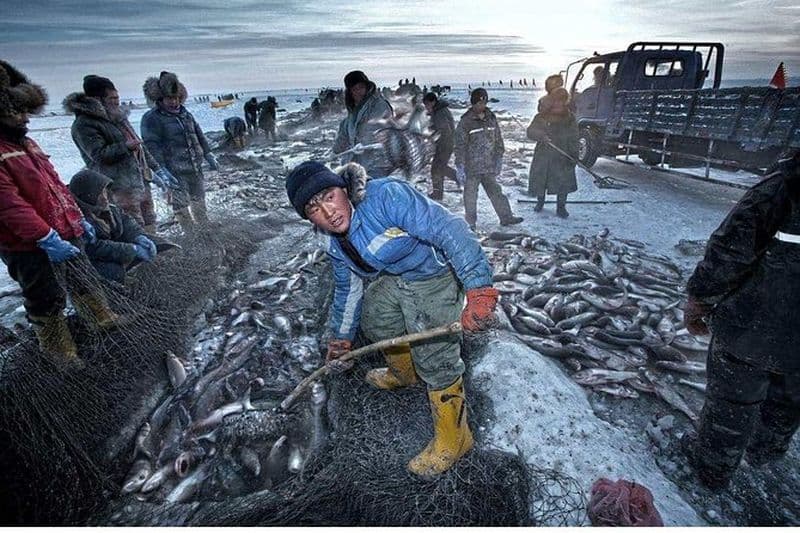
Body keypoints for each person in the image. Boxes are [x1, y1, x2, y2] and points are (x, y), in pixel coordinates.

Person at [285, 160, 499, 477]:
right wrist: (340, 339)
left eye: (329, 196)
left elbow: (448, 229)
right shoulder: (334, 242)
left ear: (343, 189)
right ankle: (404, 372)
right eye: (314, 208)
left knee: (434, 354)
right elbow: (348, 289)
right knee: (374, 316)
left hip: (436, 276)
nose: (328, 213)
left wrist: (479, 289)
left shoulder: (387, 198)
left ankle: (456, 438)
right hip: (400, 278)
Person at [681, 151, 800, 490]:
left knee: (733, 402)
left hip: (754, 324)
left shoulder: (784, 184)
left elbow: (731, 249)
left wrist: (699, 299)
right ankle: (765, 453)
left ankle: (713, 470)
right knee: (789, 394)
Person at [0, 60, 125, 361]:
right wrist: (44, 236)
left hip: (65, 230)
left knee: (83, 280)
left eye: (27, 110)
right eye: (17, 111)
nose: (25, 117)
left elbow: (53, 183)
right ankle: (61, 353)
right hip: (27, 244)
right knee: (46, 297)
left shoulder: (26, 142)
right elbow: (8, 203)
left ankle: (101, 319)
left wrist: (78, 217)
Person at [65, 75, 179, 233]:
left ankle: (159, 257)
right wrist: (125, 147)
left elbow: (141, 148)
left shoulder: (118, 118)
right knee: (133, 227)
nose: (116, 101)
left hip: (139, 181)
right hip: (117, 187)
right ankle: (145, 257)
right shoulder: (84, 124)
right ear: (97, 99)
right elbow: (98, 155)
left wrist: (157, 171)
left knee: (150, 220)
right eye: (112, 98)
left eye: (117, 97)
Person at [141, 71, 218, 232]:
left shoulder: (185, 113)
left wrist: (208, 153)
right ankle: (190, 233)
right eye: (170, 99)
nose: (174, 102)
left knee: (199, 201)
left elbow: (198, 133)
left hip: (194, 167)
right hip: (174, 171)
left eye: (176, 98)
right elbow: (151, 146)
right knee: (181, 206)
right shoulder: (152, 118)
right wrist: (160, 170)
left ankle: (204, 230)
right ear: (160, 99)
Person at [68, 169, 157, 284]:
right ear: (87, 195)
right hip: (93, 262)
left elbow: (126, 221)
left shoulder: (107, 208)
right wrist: (132, 250)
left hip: (115, 250)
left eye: (104, 191)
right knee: (113, 271)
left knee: (156, 244)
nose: (105, 197)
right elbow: (95, 248)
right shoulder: (77, 218)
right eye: (99, 194)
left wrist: (138, 236)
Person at [454, 88, 523, 231]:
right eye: (479, 103)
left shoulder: (491, 118)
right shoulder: (465, 122)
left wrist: (499, 158)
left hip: (489, 165)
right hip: (472, 167)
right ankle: (470, 222)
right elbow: (459, 146)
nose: (482, 106)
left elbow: (498, 140)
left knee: (496, 192)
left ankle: (506, 217)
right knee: (470, 196)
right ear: (473, 104)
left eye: (484, 102)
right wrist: (460, 165)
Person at [526, 88, 579, 218]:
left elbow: (574, 137)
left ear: (565, 101)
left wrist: (573, 156)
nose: (558, 104)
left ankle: (561, 207)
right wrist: (541, 135)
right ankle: (540, 202)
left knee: (563, 181)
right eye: (555, 100)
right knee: (541, 179)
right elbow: (530, 131)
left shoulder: (570, 118)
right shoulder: (542, 116)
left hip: (563, 153)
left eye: (561, 101)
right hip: (544, 153)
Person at [332, 70, 394, 177]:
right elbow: (343, 139)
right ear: (350, 92)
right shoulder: (352, 114)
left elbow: (381, 130)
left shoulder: (379, 106)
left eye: (361, 87)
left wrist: (364, 144)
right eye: (354, 89)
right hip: (358, 166)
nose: (358, 92)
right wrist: (336, 151)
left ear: (367, 87)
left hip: (378, 164)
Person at [422, 92, 457, 201]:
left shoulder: (440, 113)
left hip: (445, 144)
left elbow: (444, 130)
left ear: (433, 102)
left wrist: (432, 138)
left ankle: (439, 193)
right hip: (445, 143)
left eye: (427, 104)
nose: (426, 107)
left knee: (436, 168)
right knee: (439, 167)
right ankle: (459, 179)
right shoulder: (438, 111)